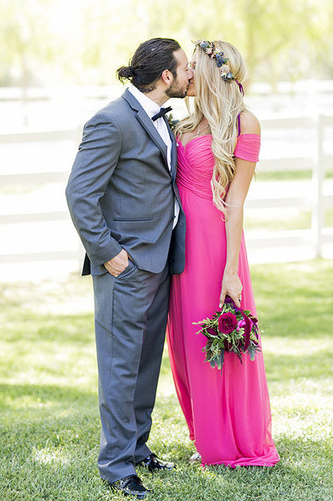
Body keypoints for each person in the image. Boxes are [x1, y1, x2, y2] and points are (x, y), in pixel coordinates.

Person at [66, 38, 192, 499]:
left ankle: (137, 449)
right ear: (165, 76)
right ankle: (116, 466)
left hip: (160, 260)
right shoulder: (112, 120)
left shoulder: (162, 117)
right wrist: (108, 253)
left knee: (145, 363)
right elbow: (80, 194)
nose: (190, 75)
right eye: (185, 69)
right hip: (126, 267)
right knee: (120, 367)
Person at [166, 40, 280, 467]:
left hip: (217, 247)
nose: (187, 74)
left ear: (215, 72)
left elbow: (235, 204)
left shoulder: (244, 123)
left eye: (194, 66)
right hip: (181, 246)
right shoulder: (185, 122)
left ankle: (233, 441)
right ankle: (206, 432)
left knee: (221, 339)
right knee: (188, 341)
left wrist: (231, 272)